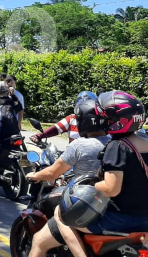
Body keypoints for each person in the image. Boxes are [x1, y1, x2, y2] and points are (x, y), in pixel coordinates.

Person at [55, 91, 148, 257]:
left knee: (61, 216)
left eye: (106, 118)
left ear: (117, 121)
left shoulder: (117, 147)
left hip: (119, 220)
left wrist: (86, 186)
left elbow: (111, 188)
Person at [27, 98, 110, 257]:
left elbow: (52, 173)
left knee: (39, 239)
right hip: (111, 205)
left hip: (85, 204)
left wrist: (35, 175)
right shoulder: (118, 143)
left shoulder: (79, 145)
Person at [30, 91, 97, 144]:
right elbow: (56, 129)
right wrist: (39, 136)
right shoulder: (72, 118)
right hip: (72, 157)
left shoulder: (101, 120)